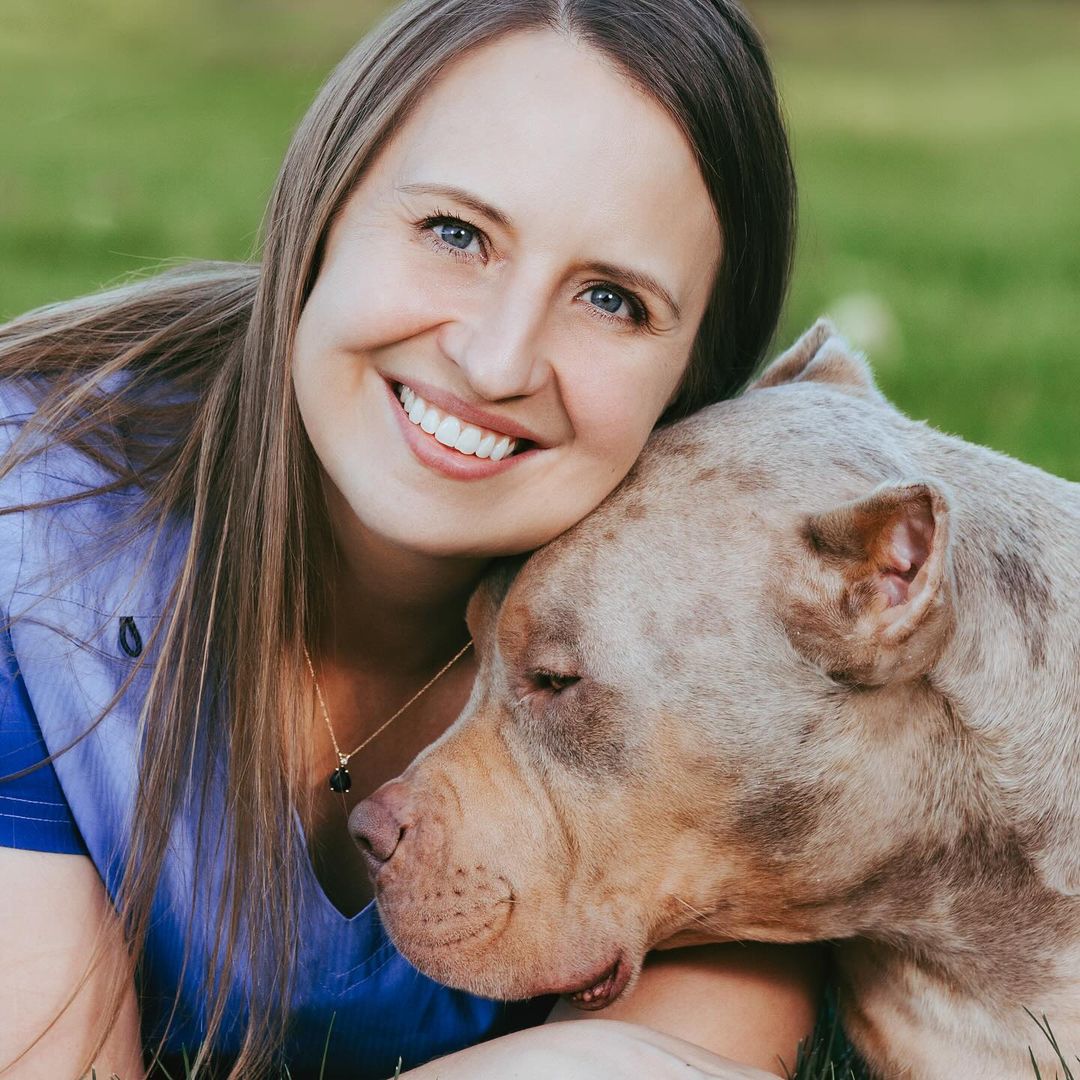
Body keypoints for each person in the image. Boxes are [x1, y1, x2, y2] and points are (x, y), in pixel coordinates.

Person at [0, 1, 824, 1077]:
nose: (495, 362)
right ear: (327, 205)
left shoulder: (731, 634)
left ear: (695, 382)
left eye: (613, 300)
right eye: (456, 234)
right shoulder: (39, 516)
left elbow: (669, 1053)